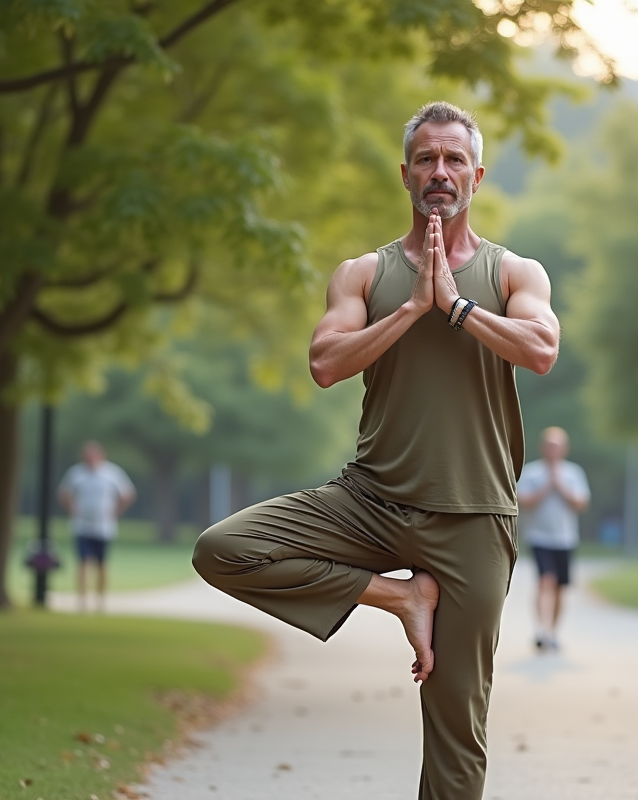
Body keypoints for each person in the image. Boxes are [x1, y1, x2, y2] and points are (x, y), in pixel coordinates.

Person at [191, 101, 560, 800]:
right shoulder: (362, 273)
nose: (440, 172)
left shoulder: (516, 273)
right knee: (224, 548)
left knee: (456, 730)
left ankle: (418, 599)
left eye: (454, 159)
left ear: (477, 176)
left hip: (473, 518)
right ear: (406, 174)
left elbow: (542, 349)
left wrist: (454, 306)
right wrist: (412, 309)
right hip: (369, 501)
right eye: (426, 159)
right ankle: (402, 598)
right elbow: (326, 363)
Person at [517, 426, 589, 652]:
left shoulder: (573, 473)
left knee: (559, 587)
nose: (553, 449)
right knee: (544, 581)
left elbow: (581, 504)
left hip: (565, 539)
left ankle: (553, 632)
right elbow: (523, 502)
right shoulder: (532, 473)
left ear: (564, 449)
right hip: (539, 537)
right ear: (543, 447)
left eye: (557, 445)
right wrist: (547, 485)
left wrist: (561, 485)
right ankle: (541, 631)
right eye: (550, 445)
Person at [58, 441, 136, 612]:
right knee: (83, 562)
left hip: (103, 526)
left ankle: (101, 600)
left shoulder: (112, 473)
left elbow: (127, 493)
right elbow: (64, 493)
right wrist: (72, 509)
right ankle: (82, 600)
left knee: (102, 564)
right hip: (82, 525)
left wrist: (115, 511)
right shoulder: (76, 473)